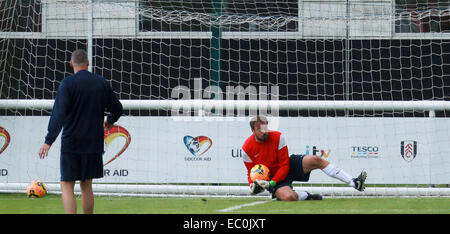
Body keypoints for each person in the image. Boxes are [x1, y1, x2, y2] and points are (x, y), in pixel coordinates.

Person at [38, 49, 123, 213]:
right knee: (86, 185)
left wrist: (48, 141)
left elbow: (58, 114)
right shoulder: (101, 83)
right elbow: (118, 108)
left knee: (67, 185)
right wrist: (110, 120)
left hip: (72, 142)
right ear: (88, 63)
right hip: (93, 142)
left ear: (71, 64)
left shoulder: (67, 84)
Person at [242, 115, 367, 201]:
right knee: (289, 198)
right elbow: (250, 172)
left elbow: (285, 165)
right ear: (252, 130)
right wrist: (252, 186)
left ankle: (354, 182)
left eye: (265, 127)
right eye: (259, 129)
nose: (264, 132)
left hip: (287, 166)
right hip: (273, 178)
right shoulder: (246, 149)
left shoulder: (278, 137)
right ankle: (305, 195)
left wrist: (272, 183)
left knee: (316, 159)